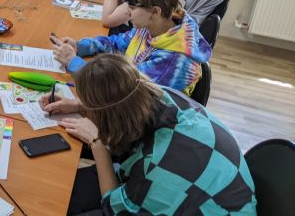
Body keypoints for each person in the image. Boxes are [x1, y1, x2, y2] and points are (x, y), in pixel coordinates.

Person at [40, 54, 257, 215]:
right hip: (209, 187)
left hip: (196, 200)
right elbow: (120, 101)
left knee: (56, 203)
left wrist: (97, 143)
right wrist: (80, 105)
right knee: (59, 191)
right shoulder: (160, 94)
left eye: (91, 109)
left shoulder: (154, 167)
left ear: (108, 116)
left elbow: (114, 210)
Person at [52, 0, 210, 96]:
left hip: (149, 117)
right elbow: (117, 43)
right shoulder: (153, 26)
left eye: (132, 8)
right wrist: (81, 46)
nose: (127, 12)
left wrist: (75, 64)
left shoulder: (172, 61)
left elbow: (121, 88)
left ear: (155, 11)